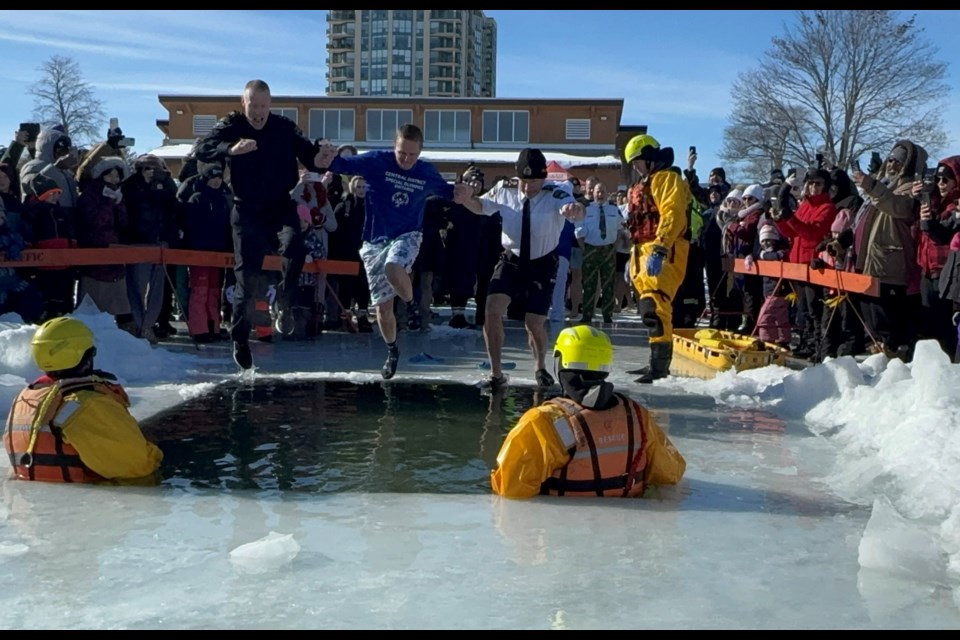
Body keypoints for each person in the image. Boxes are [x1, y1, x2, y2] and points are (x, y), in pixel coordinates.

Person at [195, 79, 329, 370]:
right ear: (244, 104)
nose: (258, 112)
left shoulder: (283, 126)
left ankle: (283, 300)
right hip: (247, 210)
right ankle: (240, 338)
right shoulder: (231, 125)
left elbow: (310, 156)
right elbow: (202, 149)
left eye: (263, 106)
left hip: (281, 204)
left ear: (271, 106)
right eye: (253, 106)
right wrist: (230, 150)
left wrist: (321, 158)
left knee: (295, 246)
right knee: (248, 278)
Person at [315, 124, 456, 379]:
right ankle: (392, 349)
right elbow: (342, 166)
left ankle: (412, 307)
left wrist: (466, 191)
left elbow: (450, 192)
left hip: (408, 235)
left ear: (420, 152)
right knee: (382, 308)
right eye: (402, 153)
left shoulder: (425, 171)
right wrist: (325, 155)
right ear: (395, 147)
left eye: (412, 155)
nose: (406, 160)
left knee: (394, 266)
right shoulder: (377, 161)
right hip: (374, 241)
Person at [490, 325, 686, 498]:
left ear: (559, 362)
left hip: (566, 531)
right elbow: (670, 472)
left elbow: (510, 489)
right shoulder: (637, 415)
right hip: (625, 533)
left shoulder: (543, 422)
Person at [454, 148, 586, 390]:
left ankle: (540, 366)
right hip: (511, 258)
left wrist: (575, 211)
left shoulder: (557, 191)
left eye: (533, 181)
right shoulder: (506, 189)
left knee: (534, 323)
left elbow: (574, 210)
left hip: (542, 262)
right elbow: (481, 206)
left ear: (544, 177)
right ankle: (496, 373)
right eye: (524, 181)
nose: (527, 187)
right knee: (491, 310)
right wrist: (466, 199)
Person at [3, 317, 163, 484]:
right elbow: (138, 466)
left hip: (30, 503)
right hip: (89, 501)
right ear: (84, 357)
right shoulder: (88, 405)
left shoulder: (24, 399)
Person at [622, 134, 692, 383]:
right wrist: (634, 257)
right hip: (643, 251)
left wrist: (661, 248)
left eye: (638, 161)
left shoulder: (667, 179)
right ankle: (654, 362)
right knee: (647, 308)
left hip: (664, 250)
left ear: (649, 158)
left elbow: (672, 215)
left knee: (656, 307)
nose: (635, 166)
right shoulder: (645, 184)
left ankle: (660, 368)